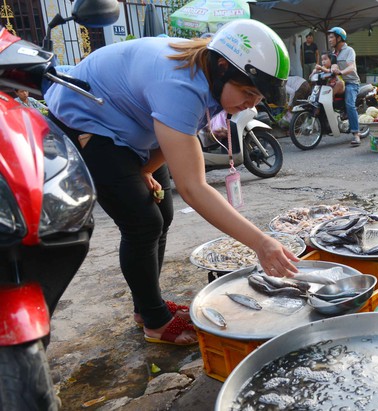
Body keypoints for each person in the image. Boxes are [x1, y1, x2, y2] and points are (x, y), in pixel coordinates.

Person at [45, 20, 299, 346]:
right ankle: (154, 319)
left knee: (162, 211)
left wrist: (145, 169)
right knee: (143, 222)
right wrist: (262, 244)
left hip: (130, 126)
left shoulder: (209, 66)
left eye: (258, 96)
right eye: (248, 92)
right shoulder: (182, 85)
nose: (251, 104)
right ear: (222, 67)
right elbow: (193, 189)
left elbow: (176, 136)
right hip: (88, 120)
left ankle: (146, 305)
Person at [327, 27, 362, 146]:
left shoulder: (349, 51)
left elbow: (351, 67)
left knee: (349, 104)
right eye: (329, 37)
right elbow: (332, 67)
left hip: (351, 82)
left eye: (332, 37)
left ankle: (356, 134)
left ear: (339, 38)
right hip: (338, 82)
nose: (329, 40)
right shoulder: (333, 53)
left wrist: (341, 72)